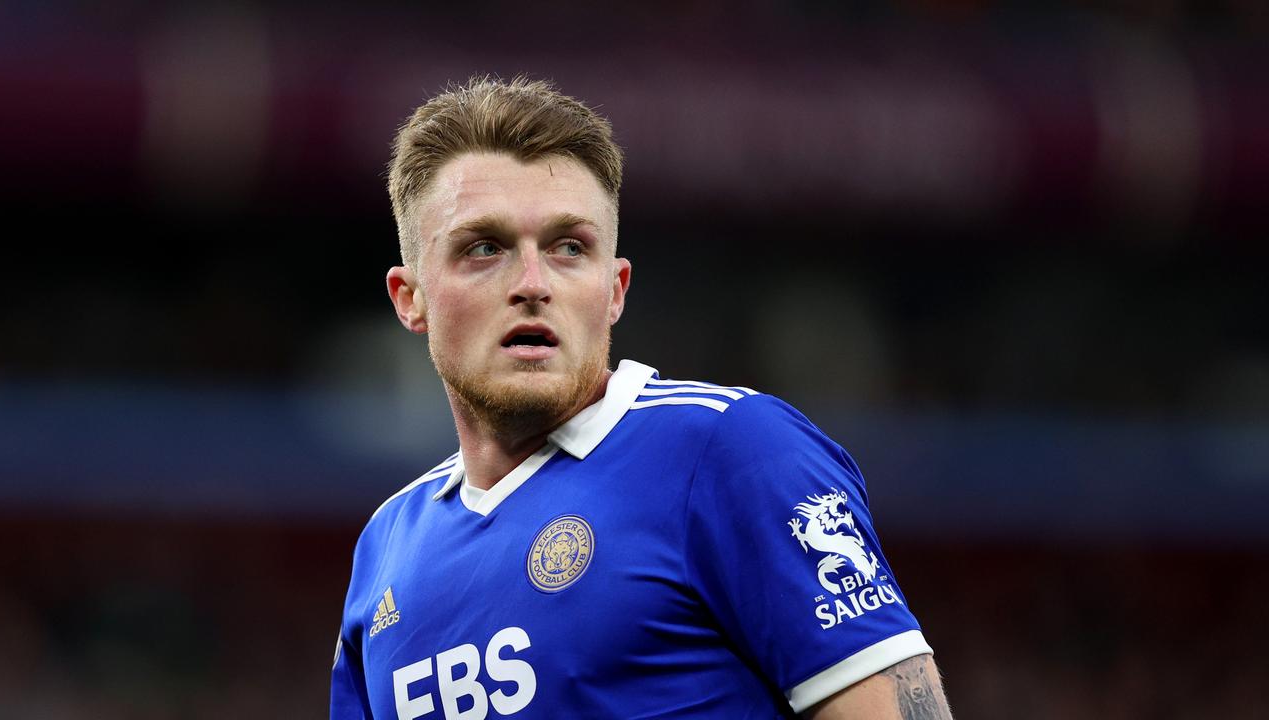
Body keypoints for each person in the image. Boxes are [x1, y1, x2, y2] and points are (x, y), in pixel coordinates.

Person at [330, 76, 952, 720]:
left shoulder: (728, 449)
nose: (533, 283)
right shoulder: (386, 550)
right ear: (411, 298)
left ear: (615, 288)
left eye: (570, 248)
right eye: (484, 248)